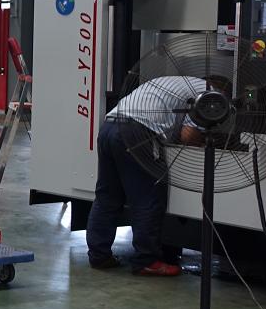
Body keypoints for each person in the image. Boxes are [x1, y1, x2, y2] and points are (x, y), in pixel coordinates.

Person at [85, 75, 219, 276]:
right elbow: (187, 136)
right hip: (137, 133)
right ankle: (146, 260)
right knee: (148, 197)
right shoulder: (210, 95)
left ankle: (99, 255)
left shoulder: (177, 82)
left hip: (109, 126)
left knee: (107, 197)